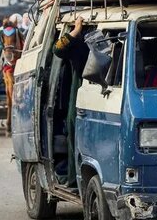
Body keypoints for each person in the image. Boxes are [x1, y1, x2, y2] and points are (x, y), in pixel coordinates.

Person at [52, 16, 89, 187]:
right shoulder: (81, 44)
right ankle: (74, 179)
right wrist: (76, 31)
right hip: (80, 96)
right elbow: (58, 49)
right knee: (74, 136)